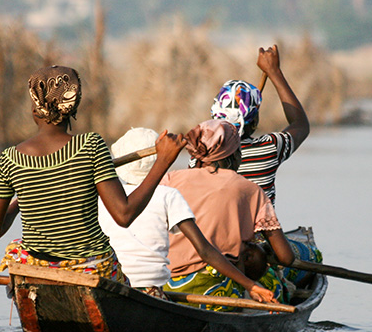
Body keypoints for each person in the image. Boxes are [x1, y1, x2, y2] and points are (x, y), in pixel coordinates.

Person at [0, 65, 185, 282]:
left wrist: (20, 201)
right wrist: (162, 161)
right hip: (89, 268)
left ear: (34, 109)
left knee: (18, 248)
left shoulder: (10, 158)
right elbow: (124, 216)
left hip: (35, 268)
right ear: (73, 107)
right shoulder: (90, 146)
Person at [97, 127, 277, 304]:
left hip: (115, 285)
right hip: (150, 291)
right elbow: (205, 251)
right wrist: (251, 286)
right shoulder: (168, 194)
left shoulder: (102, 198)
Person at [161, 119, 295, 306]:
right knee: (274, 285)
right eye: (239, 151)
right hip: (216, 289)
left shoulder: (170, 179)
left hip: (164, 284)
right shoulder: (252, 190)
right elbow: (286, 257)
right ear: (233, 154)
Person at [209, 44, 309, 205]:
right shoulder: (269, 148)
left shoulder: (199, 156)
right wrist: (274, 72)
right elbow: (300, 124)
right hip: (261, 229)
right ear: (254, 121)